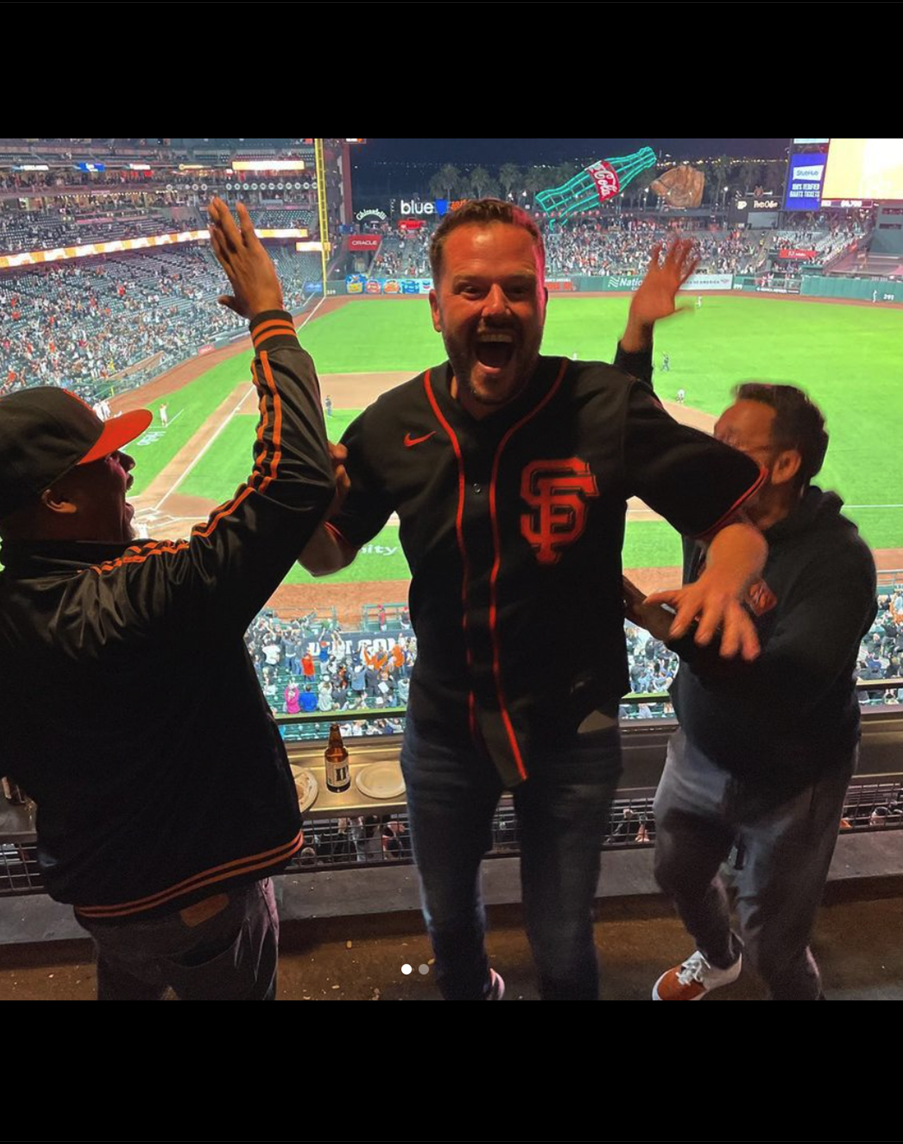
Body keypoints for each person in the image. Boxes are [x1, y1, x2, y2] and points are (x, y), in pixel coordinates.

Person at [296, 202, 768, 1001]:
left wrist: (726, 574)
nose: (496, 308)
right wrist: (300, 500)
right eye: (471, 289)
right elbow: (327, 554)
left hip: (572, 725)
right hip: (445, 723)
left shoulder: (604, 407)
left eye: (518, 288)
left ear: (545, 299)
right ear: (437, 304)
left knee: (561, 936)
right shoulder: (392, 425)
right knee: (447, 923)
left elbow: (737, 519)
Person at [0, 198, 339, 1000]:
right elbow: (293, 482)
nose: (126, 472)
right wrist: (269, 315)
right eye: (104, 464)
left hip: (101, 899)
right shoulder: (145, 596)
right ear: (54, 500)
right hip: (201, 906)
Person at [627, 382, 878, 1001]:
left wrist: (681, 638)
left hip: (793, 779)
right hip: (701, 751)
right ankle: (717, 957)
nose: (711, 453)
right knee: (676, 872)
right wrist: (638, 329)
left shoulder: (839, 561)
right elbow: (638, 428)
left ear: (785, 464)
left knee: (776, 943)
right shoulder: (715, 512)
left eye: (731, 443)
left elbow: (787, 691)